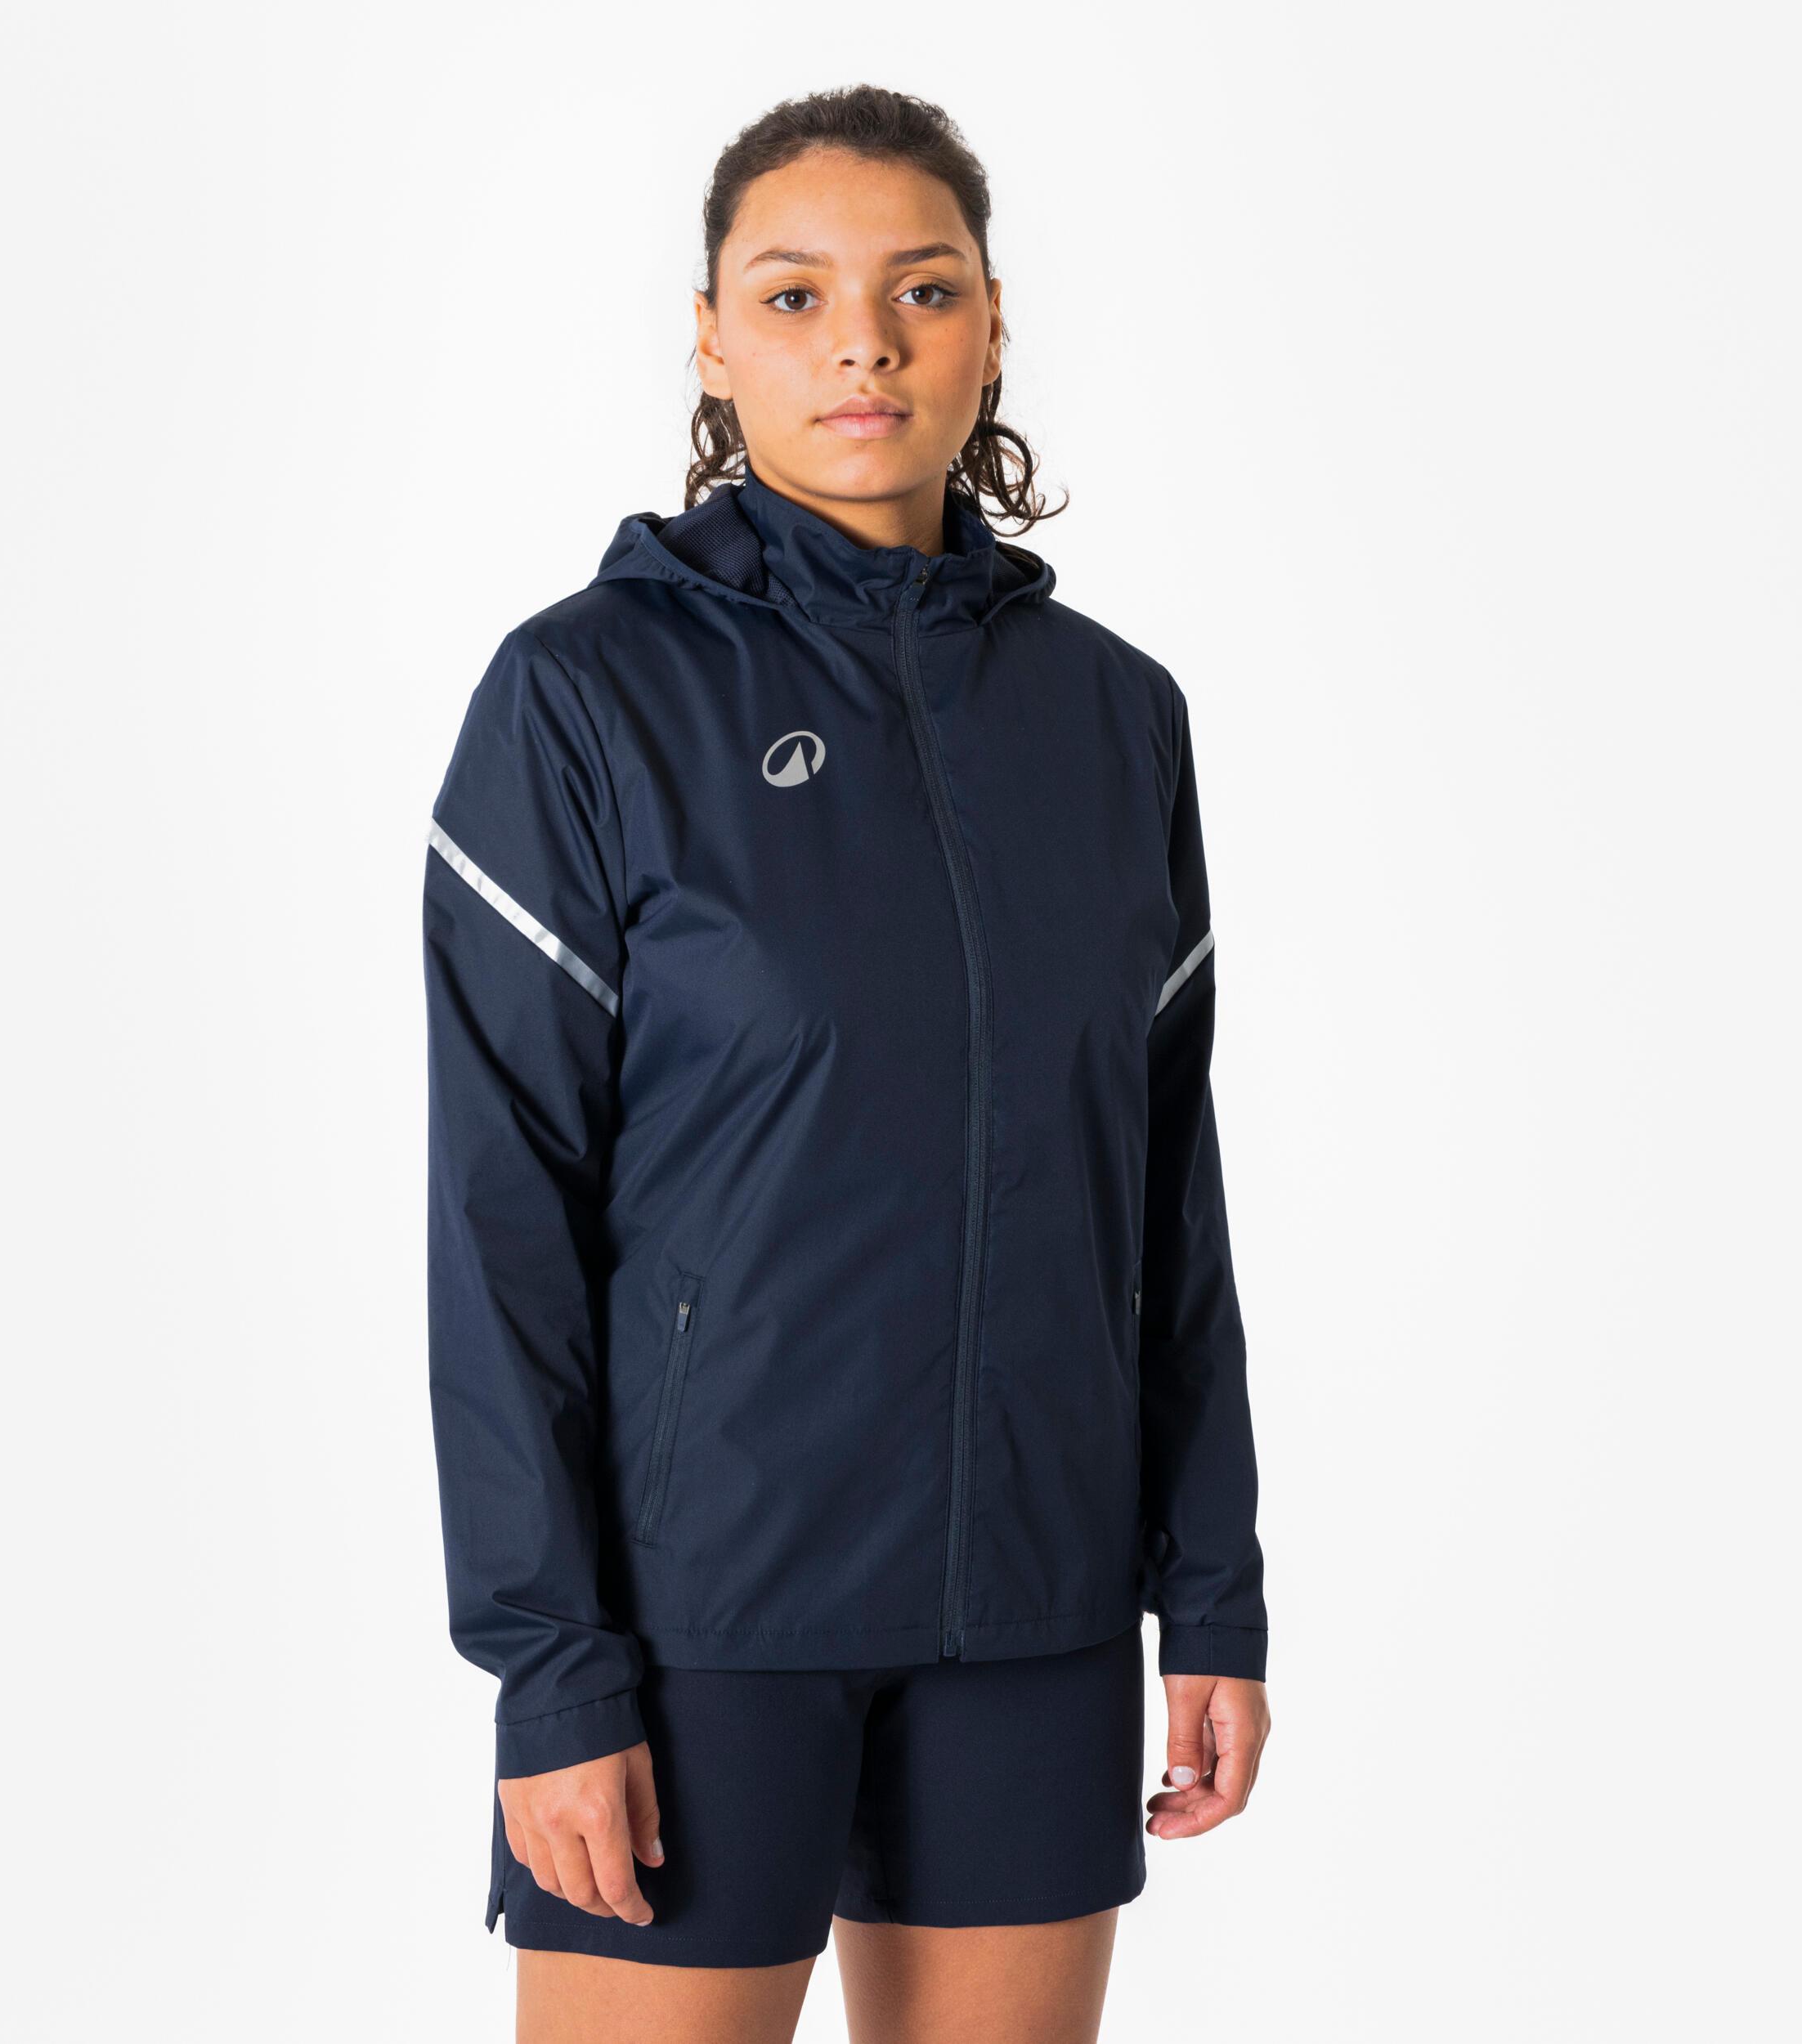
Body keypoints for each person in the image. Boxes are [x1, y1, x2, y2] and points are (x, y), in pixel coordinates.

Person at [422, 83, 1272, 2044]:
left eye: (921, 289)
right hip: (704, 1627)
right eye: (793, 295)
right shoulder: (584, 696)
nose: (863, 344)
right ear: (711, 340)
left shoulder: (1112, 718)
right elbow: (500, 1220)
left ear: (990, 323)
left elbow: (1163, 1187)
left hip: (1037, 1613)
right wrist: (551, 1667)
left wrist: (1209, 1588)